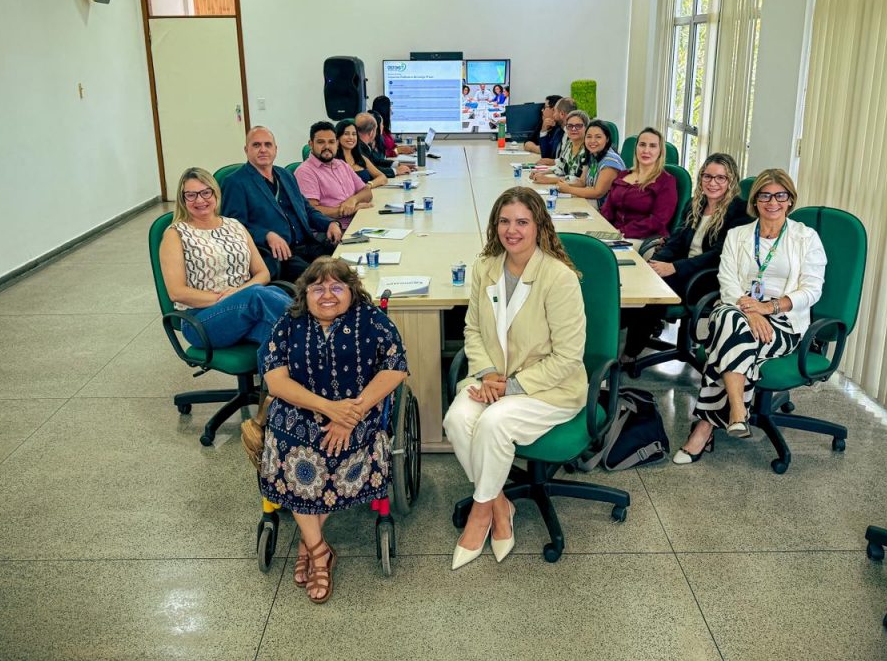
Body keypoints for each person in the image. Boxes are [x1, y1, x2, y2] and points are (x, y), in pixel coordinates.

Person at [443, 187, 586, 569]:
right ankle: (499, 503)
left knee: (493, 423)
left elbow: (568, 357)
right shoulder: (485, 267)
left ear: (539, 226)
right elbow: (473, 329)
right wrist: (489, 373)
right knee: (456, 420)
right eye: (504, 221)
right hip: (492, 378)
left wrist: (511, 387)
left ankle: (480, 515)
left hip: (548, 388)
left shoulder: (559, 277)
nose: (512, 230)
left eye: (522, 221)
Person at [259, 258, 408, 603]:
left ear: (352, 291)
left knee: (336, 453)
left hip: (359, 413)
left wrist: (349, 415)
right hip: (298, 413)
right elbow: (275, 380)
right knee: (294, 454)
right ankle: (319, 550)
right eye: (318, 288)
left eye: (337, 287)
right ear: (305, 294)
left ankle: (308, 543)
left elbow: (395, 368)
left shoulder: (372, 320)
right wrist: (329, 409)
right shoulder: (289, 323)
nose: (327, 294)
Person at [672, 168, 827, 464]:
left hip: (783, 319)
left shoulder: (806, 238)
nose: (772, 202)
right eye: (765, 196)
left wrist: (769, 308)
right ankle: (737, 411)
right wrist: (751, 311)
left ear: (790, 200)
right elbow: (727, 280)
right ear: (755, 201)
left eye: (780, 196)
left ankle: (707, 426)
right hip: (737, 306)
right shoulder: (738, 235)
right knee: (732, 322)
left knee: (726, 339)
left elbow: (812, 290)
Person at [620, 152, 749, 366]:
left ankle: (630, 353)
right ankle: (613, 334)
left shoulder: (739, 212)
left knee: (655, 291)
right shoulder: (695, 204)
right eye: (707, 176)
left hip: (708, 277)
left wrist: (674, 268)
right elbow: (676, 241)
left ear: (731, 180)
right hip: (683, 268)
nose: (713, 183)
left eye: (720, 178)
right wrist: (654, 264)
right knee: (638, 279)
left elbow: (719, 255)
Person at [160, 167, 291, 353]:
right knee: (258, 295)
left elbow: (263, 273)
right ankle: (319, 327)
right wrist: (229, 298)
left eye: (206, 192)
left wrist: (238, 294)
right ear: (183, 199)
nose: (200, 200)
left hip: (245, 310)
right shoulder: (175, 234)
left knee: (279, 337)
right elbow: (177, 293)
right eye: (191, 195)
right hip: (201, 319)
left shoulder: (234, 225)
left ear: (215, 193)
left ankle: (307, 363)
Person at [221, 126, 342, 280]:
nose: (263, 150)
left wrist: (329, 223)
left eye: (268, 144)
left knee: (345, 264)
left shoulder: (285, 175)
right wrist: (266, 235)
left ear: (275, 149)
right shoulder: (235, 182)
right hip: (279, 256)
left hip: (308, 246)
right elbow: (233, 228)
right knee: (323, 278)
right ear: (246, 150)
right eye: (256, 145)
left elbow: (306, 209)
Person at [294, 121, 373, 233]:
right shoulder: (305, 171)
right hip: (333, 231)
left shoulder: (342, 165)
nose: (327, 147)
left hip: (357, 223)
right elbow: (311, 211)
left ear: (337, 143)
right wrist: (347, 210)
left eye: (331, 142)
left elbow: (367, 192)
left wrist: (353, 200)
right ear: (311, 144)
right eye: (321, 142)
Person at [599, 127, 677, 240]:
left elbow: (658, 221)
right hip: (614, 233)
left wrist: (621, 232)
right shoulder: (623, 175)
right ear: (636, 148)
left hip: (643, 238)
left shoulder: (666, 181)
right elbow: (608, 209)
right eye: (642, 145)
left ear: (660, 151)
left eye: (652, 146)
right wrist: (600, 227)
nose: (646, 150)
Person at [555, 119, 626, 207]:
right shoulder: (592, 155)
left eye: (598, 137)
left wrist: (568, 189)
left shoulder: (610, 162)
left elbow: (598, 193)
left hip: (606, 210)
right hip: (592, 203)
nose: (592, 141)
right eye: (589, 137)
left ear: (607, 139)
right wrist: (564, 185)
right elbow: (582, 182)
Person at [530, 110, 589, 185]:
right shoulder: (569, 144)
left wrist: (548, 180)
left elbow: (579, 180)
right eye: (570, 126)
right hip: (565, 188)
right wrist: (541, 172)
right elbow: (561, 166)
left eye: (578, 126)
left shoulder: (588, 149)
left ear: (586, 128)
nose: (573, 129)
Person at [336, 118, 387, 189]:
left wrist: (369, 185)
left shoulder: (361, 158)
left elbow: (383, 177)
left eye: (354, 134)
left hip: (368, 195)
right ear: (338, 137)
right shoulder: (333, 161)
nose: (351, 137)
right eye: (346, 134)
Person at [354, 112, 411, 177]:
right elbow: (371, 170)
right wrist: (395, 171)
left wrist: (397, 164)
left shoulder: (364, 145)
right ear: (371, 133)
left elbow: (377, 161)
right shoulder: (359, 148)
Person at [536, 97, 578, 165]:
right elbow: (546, 156)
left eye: (555, 111)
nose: (553, 115)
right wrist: (544, 131)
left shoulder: (576, 134)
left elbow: (573, 162)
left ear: (562, 114)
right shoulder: (559, 131)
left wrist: (554, 162)